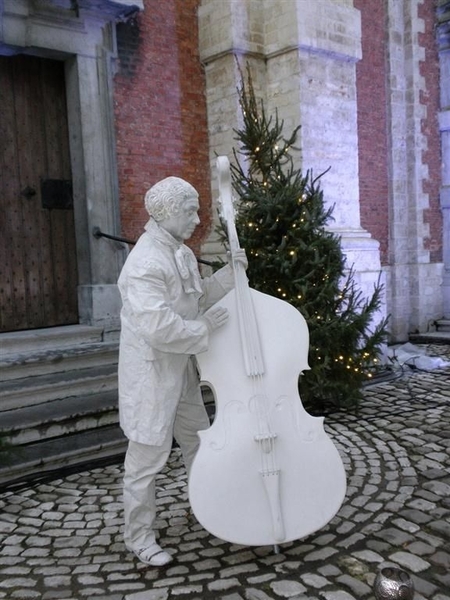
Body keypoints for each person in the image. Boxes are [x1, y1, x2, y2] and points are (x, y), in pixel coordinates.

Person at [117, 176, 246, 567]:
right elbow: (159, 328)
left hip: (183, 373)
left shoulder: (182, 253)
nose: (197, 218)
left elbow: (197, 298)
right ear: (168, 212)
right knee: (146, 461)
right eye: (190, 210)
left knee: (197, 442)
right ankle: (138, 537)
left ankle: (207, 506)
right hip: (152, 377)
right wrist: (206, 328)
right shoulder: (143, 265)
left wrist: (227, 276)